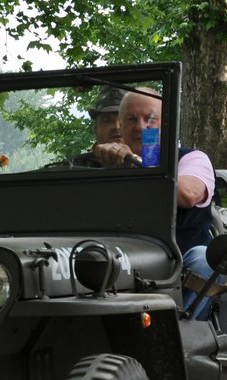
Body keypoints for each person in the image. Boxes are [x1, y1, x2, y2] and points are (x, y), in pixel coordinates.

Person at [90, 88, 215, 319]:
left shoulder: (191, 159)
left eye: (149, 119)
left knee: (202, 258)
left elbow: (187, 195)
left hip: (177, 267)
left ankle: (182, 336)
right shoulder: (99, 166)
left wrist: (136, 162)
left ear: (166, 123)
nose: (140, 127)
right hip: (113, 260)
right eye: (131, 119)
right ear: (121, 125)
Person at [69, 85, 125, 167]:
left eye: (123, 120)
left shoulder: (147, 164)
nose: (117, 127)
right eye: (107, 121)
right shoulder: (74, 168)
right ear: (95, 130)